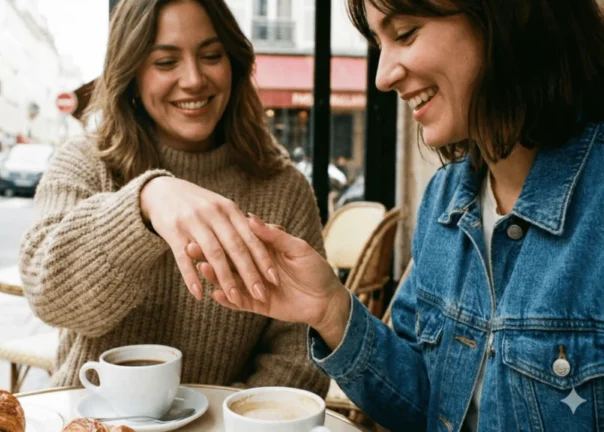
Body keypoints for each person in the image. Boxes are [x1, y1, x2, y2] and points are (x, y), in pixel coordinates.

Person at [191, 0, 604, 430]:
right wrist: (332, 310)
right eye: (378, 44)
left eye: (405, 33)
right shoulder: (445, 201)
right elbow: (426, 404)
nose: (383, 77)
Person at [18, 0, 329, 395]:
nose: (194, 79)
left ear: (233, 62)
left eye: (212, 56)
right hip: (90, 418)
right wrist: (146, 202)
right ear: (131, 73)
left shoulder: (282, 187)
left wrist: (231, 417)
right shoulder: (86, 161)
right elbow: (49, 297)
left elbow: (301, 352)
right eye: (166, 62)